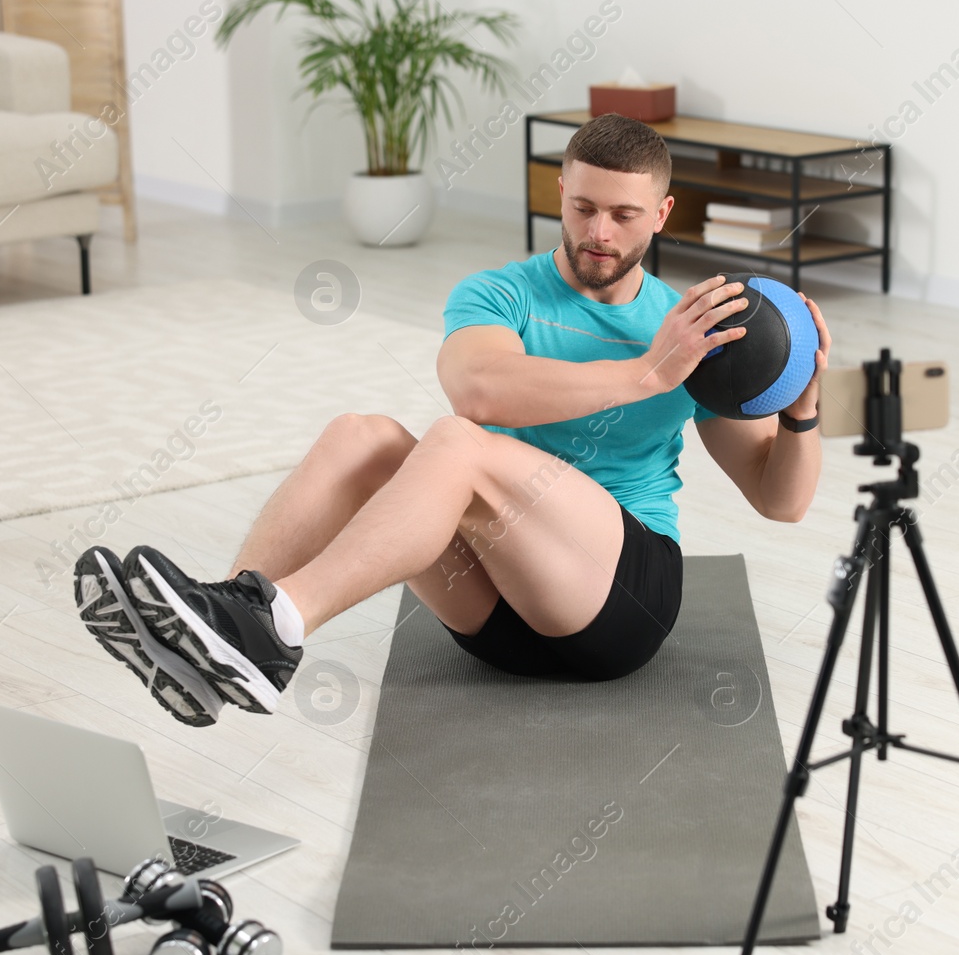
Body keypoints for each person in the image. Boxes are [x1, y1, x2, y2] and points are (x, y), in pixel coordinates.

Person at [74, 113, 829, 728]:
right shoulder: (501, 293)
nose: (600, 230)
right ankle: (220, 633)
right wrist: (643, 374)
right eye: (584, 206)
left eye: (624, 214)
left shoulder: (683, 329)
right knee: (360, 434)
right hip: (496, 615)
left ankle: (274, 628)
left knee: (457, 450)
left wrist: (804, 411)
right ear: (559, 189)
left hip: (617, 606)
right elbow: (479, 388)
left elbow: (780, 499)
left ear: (661, 214)